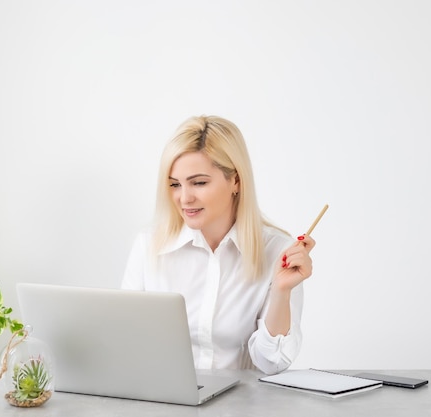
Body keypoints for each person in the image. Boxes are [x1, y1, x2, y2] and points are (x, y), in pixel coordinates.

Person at [121, 115, 316, 375]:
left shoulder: (277, 252)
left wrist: (282, 291)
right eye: (175, 185)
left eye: (199, 183)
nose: (185, 198)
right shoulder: (149, 245)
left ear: (235, 181)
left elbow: (272, 363)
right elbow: (125, 341)